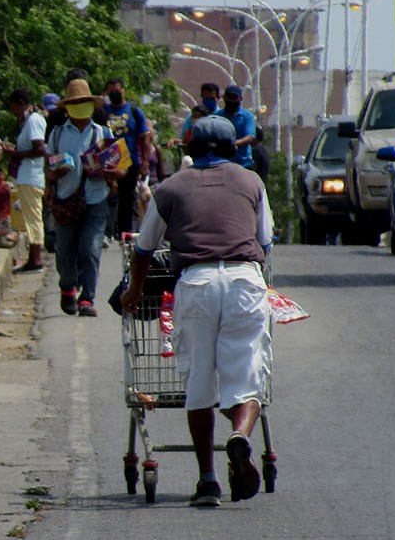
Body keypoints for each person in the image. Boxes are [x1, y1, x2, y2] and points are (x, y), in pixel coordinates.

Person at [121, 115, 273, 508]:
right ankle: (240, 435)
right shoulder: (250, 182)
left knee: (199, 387)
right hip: (244, 280)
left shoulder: (170, 188)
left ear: (188, 149)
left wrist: (134, 292)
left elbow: (143, 249)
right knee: (247, 380)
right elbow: (265, 242)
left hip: (196, 283)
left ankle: (207, 481)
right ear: (231, 149)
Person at [48, 78, 119, 317]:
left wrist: (109, 172)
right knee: (65, 251)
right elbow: (47, 168)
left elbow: (121, 168)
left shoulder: (103, 133)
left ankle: (87, 297)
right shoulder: (57, 134)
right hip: (65, 200)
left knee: (90, 249)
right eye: (75, 102)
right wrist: (56, 173)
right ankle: (67, 287)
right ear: (68, 106)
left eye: (83, 102)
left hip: (95, 199)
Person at [3, 88, 47, 271]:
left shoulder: (33, 120)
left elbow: (40, 149)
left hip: (31, 176)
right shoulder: (28, 120)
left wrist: (16, 153)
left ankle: (36, 258)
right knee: (30, 217)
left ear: (20, 103)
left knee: (33, 218)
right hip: (27, 176)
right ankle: (32, 256)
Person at [103, 77, 152, 239]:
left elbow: (145, 139)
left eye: (117, 91)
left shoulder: (134, 111)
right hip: (109, 163)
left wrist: (145, 163)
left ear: (123, 91)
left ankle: (124, 233)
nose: (114, 94)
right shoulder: (104, 112)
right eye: (111, 92)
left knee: (127, 199)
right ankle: (107, 232)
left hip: (130, 163)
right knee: (107, 197)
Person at [219, 84, 258, 171]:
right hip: (221, 163)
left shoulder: (247, 116)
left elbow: (250, 136)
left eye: (234, 97)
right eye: (229, 97)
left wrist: (235, 144)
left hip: (243, 163)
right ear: (224, 98)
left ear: (240, 99)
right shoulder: (217, 116)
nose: (232, 101)